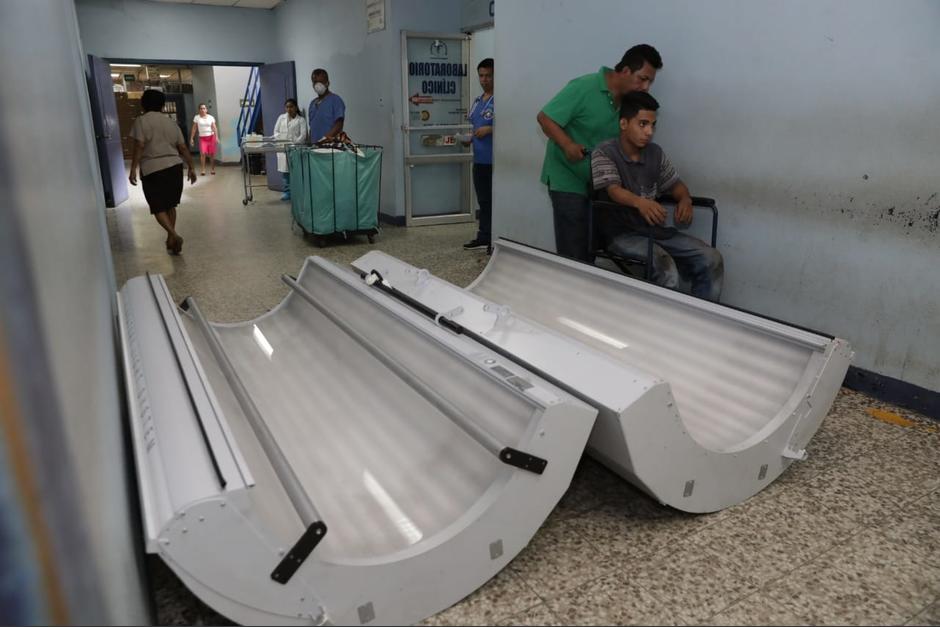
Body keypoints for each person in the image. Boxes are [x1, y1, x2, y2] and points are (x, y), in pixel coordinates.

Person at [591, 91, 723, 301]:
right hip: (621, 234)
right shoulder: (604, 152)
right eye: (642, 124)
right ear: (624, 123)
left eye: (653, 125)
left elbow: (676, 185)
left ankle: (701, 322)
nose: (649, 131)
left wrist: (685, 199)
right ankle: (660, 329)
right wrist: (639, 203)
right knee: (666, 268)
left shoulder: (655, 153)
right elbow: (613, 190)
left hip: (655, 231)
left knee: (711, 258)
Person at [537, 44, 662, 261]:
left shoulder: (627, 103)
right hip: (568, 178)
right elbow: (545, 118)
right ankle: (572, 291)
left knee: (593, 247)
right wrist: (567, 145)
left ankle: (587, 289)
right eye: (642, 79)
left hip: (598, 183)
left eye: (650, 81)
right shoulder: (584, 87)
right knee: (575, 251)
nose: (646, 87)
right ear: (624, 71)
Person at [129, 89, 197, 255]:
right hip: (174, 167)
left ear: (144, 103)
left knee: (158, 207)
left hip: (152, 168)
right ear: (162, 105)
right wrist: (192, 167)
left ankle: (174, 235)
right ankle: (171, 239)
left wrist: (133, 169)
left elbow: (139, 145)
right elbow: (182, 147)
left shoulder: (141, 121)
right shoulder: (170, 123)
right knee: (170, 205)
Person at [462, 58, 494, 251]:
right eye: (481, 76)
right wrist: (469, 138)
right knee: (483, 201)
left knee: (492, 201)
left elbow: (511, 126)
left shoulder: (500, 100)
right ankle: (483, 235)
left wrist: (490, 129)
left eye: (489, 76)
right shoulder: (477, 101)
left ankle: (493, 236)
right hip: (480, 160)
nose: (484, 80)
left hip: (495, 162)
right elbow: (474, 126)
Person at [273, 98, 309, 201]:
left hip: (295, 148)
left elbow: (303, 135)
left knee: (296, 171)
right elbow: (276, 131)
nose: (289, 109)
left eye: (291, 106)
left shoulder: (301, 120)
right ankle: (287, 192)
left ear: (295, 107)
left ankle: (298, 192)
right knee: (285, 172)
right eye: (287, 107)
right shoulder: (281, 118)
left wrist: (294, 143)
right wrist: (280, 139)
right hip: (283, 149)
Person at [308, 68, 345, 143]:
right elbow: (312, 127)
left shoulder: (335, 100)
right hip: (315, 148)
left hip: (330, 147)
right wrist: (309, 144)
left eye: (321, 82)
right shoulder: (312, 104)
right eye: (315, 82)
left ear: (327, 83)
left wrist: (324, 140)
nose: (318, 85)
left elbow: (339, 125)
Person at [189, 103, 219, 176]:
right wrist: (191, 138)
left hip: (211, 137)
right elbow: (194, 128)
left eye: (204, 108)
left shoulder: (211, 117)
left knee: (211, 154)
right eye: (201, 108)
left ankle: (212, 169)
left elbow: (214, 127)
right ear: (199, 110)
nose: (203, 110)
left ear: (206, 109)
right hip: (202, 138)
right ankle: (203, 170)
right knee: (202, 154)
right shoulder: (197, 117)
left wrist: (217, 137)